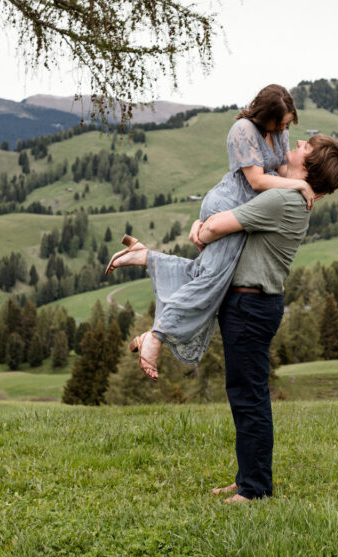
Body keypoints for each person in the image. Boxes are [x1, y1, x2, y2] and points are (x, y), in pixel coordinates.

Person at [105, 84, 315, 379]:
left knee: (205, 276)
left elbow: (280, 171)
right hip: (229, 204)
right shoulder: (243, 130)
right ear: (264, 115)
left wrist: (305, 183)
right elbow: (256, 180)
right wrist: (300, 185)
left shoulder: (279, 132)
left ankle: (145, 258)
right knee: (211, 282)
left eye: (287, 123)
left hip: (245, 214)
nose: (284, 128)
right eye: (280, 122)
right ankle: (156, 337)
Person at [195, 133, 338, 501]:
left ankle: (254, 489)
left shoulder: (284, 199)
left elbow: (215, 228)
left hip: (249, 306)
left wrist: (201, 229)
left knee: (249, 398)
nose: (292, 145)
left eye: (301, 148)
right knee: (245, 395)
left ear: (306, 166)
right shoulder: (291, 196)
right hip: (252, 305)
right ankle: (247, 476)